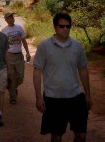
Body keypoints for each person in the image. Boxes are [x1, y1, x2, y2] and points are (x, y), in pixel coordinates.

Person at [33, 12, 92, 142]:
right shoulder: (44, 46)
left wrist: (88, 94)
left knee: (81, 135)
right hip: (53, 98)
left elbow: (83, 69)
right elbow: (37, 71)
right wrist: (38, 97)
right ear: (55, 27)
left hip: (76, 96)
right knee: (56, 136)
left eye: (68, 26)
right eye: (61, 26)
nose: (65, 29)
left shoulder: (77, 46)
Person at [1, 12, 31, 104]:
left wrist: (27, 52)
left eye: (12, 17)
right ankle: (12, 96)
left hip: (19, 55)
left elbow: (24, 41)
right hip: (9, 55)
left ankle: (12, 88)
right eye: (9, 17)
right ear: (6, 20)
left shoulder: (19, 28)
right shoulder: (4, 31)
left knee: (20, 77)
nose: (11, 18)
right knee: (11, 76)